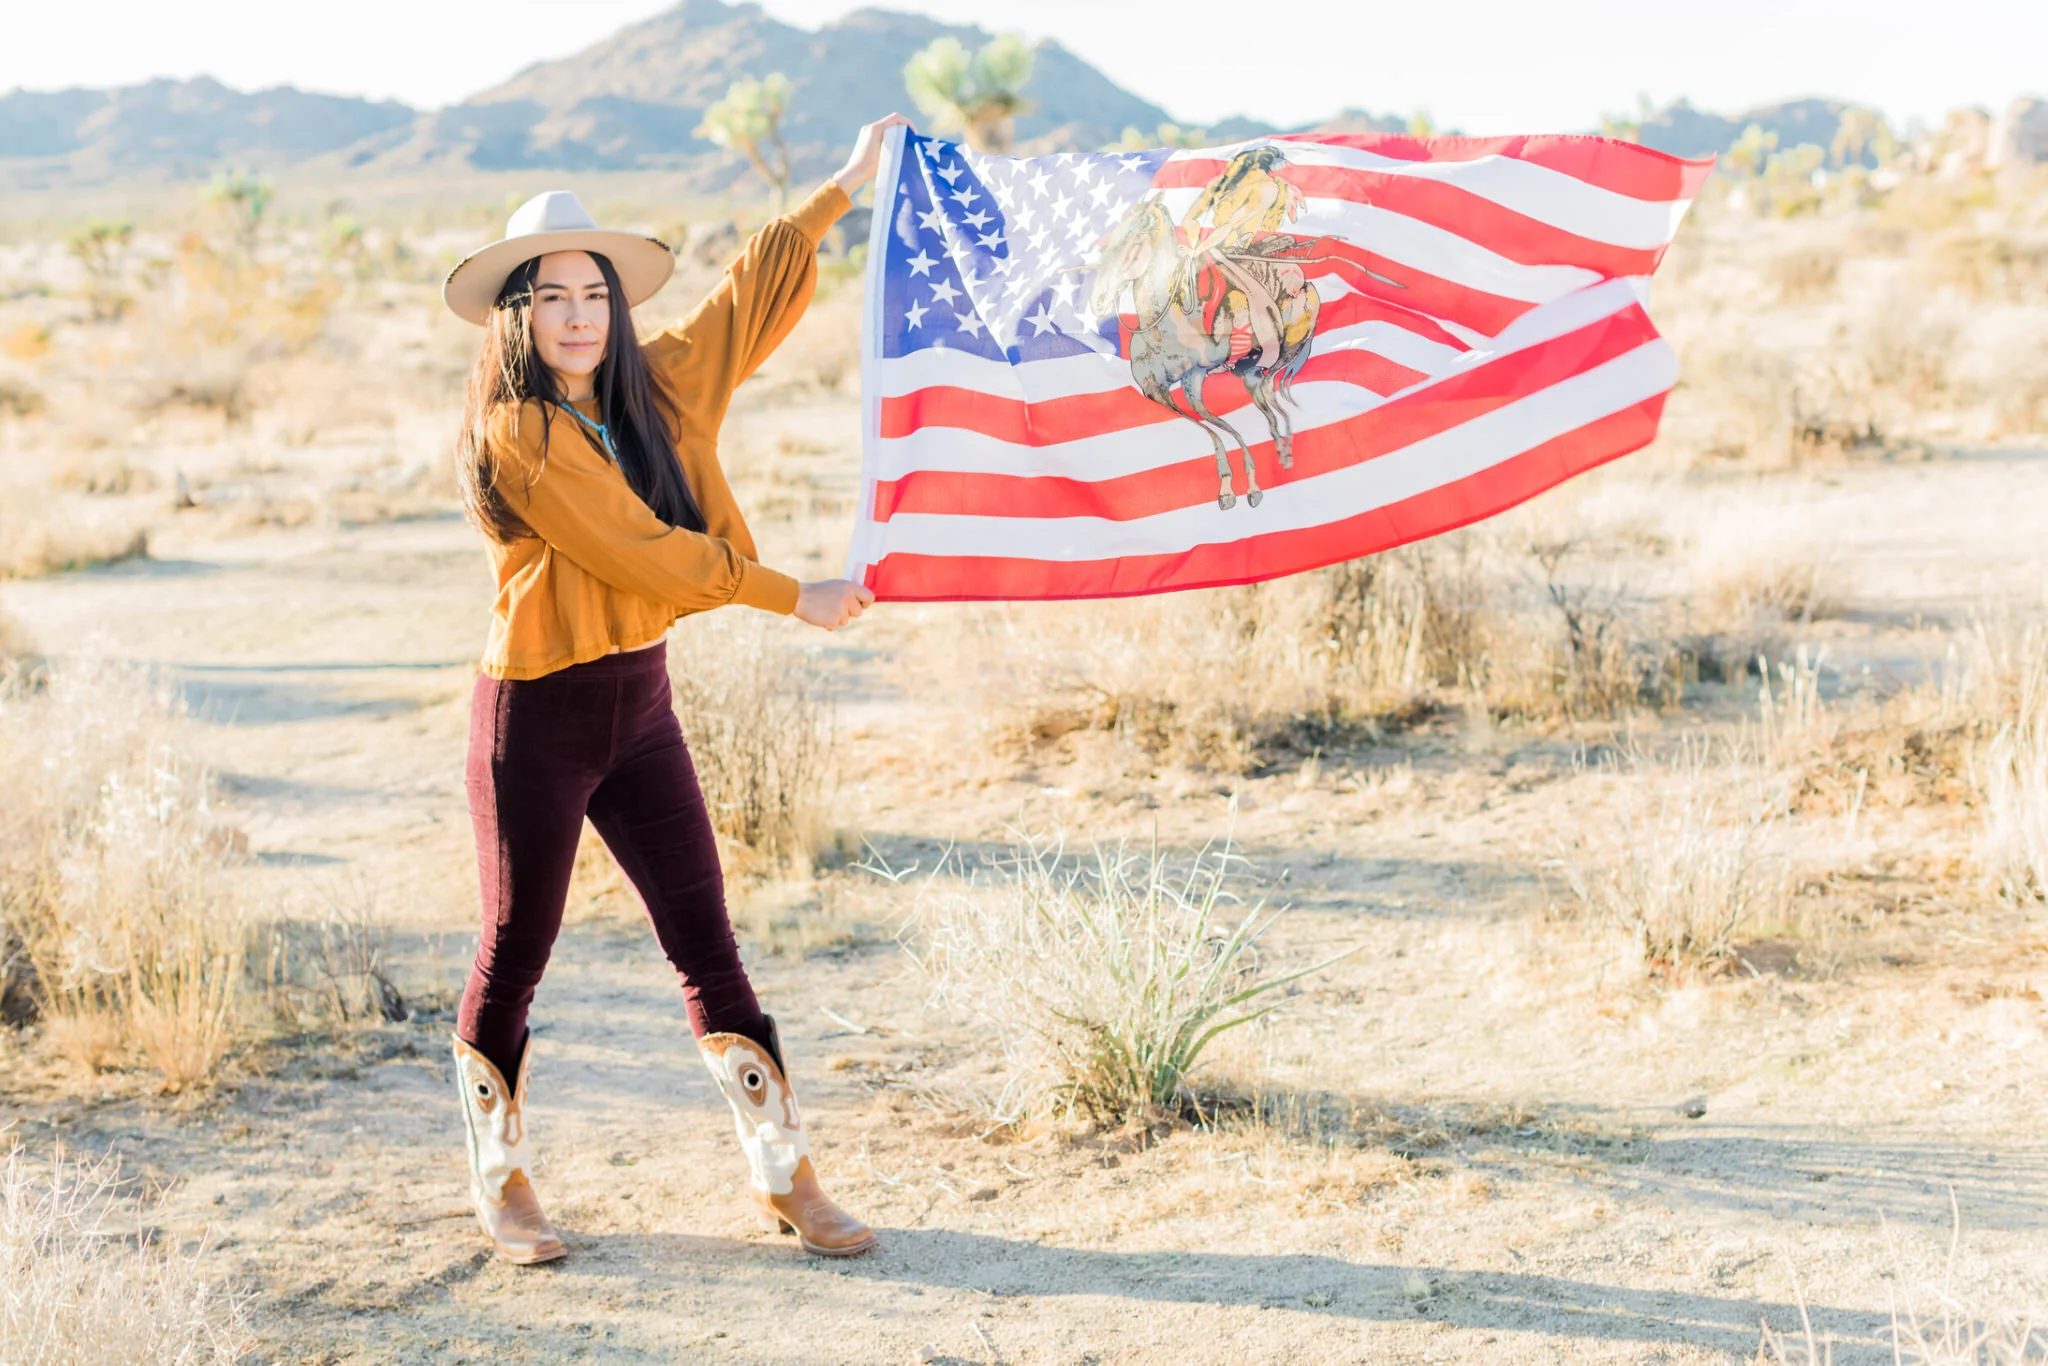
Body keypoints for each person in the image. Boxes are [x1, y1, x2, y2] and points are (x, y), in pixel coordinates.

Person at [438, 113, 911, 1265]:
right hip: (535, 718)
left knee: (708, 941)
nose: (576, 315)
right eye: (550, 297)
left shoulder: (649, 385)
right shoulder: (517, 434)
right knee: (515, 949)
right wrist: (788, 593)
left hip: (637, 706)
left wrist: (843, 184)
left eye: (591, 293)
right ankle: (500, 1181)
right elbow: (642, 552)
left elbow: (746, 298)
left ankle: (783, 1173)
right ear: (516, 315)